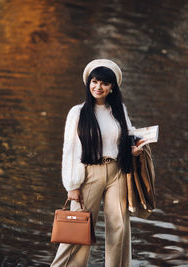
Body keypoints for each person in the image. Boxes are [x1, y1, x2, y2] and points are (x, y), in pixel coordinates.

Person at [51, 59, 142, 267]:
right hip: (89, 173)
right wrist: (72, 185)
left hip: (117, 172)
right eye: (94, 82)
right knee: (77, 230)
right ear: (88, 83)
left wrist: (134, 148)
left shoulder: (119, 111)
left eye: (104, 83)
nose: (98, 87)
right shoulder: (78, 112)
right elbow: (70, 150)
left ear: (112, 87)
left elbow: (127, 135)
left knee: (119, 227)